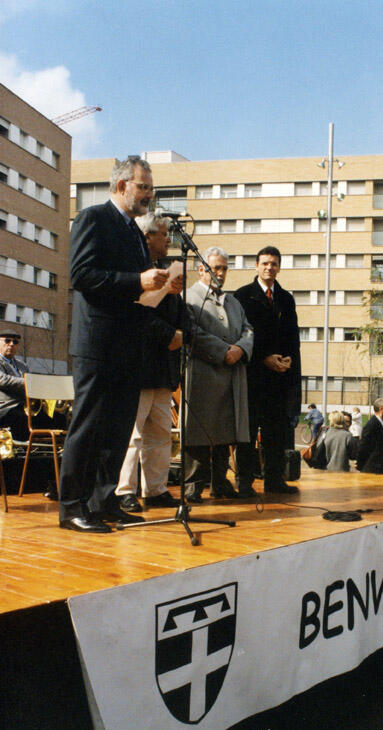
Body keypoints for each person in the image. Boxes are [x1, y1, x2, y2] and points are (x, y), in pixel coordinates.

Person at [58, 156, 173, 533]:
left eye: (151, 189)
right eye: (143, 187)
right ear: (122, 186)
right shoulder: (93, 219)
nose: (149, 195)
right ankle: (73, 506)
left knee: (118, 429)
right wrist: (138, 281)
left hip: (128, 345)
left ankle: (104, 501)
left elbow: (135, 288)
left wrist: (159, 289)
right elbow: (83, 275)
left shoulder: (136, 234)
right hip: (98, 342)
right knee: (89, 425)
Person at [117, 212, 189, 512]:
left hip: (163, 367)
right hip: (139, 363)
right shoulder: (136, 268)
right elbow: (139, 315)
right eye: (163, 234)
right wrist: (168, 334)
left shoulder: (167, 271)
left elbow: (180, 313)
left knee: (160, 433)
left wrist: (183, 332)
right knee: (133, 434)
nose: (168, 239)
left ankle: (156, 489)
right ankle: (124, 490)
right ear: (147, 236)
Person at [184, 247, 254, 503]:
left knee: (226, 430)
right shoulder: (189, 298)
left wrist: (241, 349)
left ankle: (220, 482)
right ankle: (193, 484)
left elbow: (248, 330)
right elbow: (192, 332)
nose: (221, 273)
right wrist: (223, 350)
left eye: (224, 268)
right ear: (201, 269)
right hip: (203, 372)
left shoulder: (233, 301)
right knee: (198, 432)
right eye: (216, 268)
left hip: (232, 374)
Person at [234, 246, 301, 496]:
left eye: (273, 264)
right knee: (248, 434)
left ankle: (274, 480)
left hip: (279, 379)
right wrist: (263, 358)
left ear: (279, 267)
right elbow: (241, 335)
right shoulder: (242, 296)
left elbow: (293, 337)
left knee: (276, 433)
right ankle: (245, 482)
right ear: (256, 266)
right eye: (264, 263)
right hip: (253, 377)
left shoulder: (286, 298)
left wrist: (290, 361)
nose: (269, 268)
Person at [0, 330, 29, 441]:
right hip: (4, 407)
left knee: (54, 417)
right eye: (7, 341)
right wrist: (29, 382)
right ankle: (21, 452)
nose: (11, 344)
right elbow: (3, 380)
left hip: (23, 406)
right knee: (20, 417)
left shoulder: (22, 365)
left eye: (15, 342)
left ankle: (53, 449)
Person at [356, 398, 383, 475]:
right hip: (374, 470)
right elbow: (364, 446)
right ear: (381, 409)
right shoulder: (372, 425)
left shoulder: (382, 424)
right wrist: (360, 464)